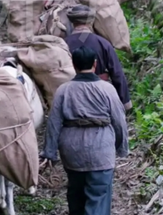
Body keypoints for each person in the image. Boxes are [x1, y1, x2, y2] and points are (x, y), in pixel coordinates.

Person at [40, 46, 129, 215]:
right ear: (95, 64)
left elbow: (53, 123)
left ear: (74, 65)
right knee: (98, 197)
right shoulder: (107, 89)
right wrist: (121, 147)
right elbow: (119, 120)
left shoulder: (63, 90)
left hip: (72, 151)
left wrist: (49, 152)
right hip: (101, 149)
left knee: (76, 194)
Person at [64, 5, 132, 111]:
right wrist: (125, 102)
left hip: (72, 96)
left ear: (72, 22)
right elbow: (117, 73)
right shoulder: (103, 43)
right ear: (91, 21)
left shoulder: (63, 44)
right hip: (101, 93)